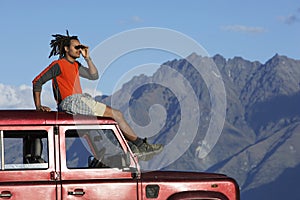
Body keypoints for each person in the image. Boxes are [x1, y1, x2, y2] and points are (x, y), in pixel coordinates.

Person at [32, 31, 163, 161]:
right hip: (72, 101)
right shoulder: (58, 65)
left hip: (80, 100)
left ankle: (133, 147)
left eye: (80, 47)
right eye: (76, 47)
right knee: (113, 116)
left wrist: (87, 58)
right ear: (66, 49)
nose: (79, 50)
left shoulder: (75, 65)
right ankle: (139, 146)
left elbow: (93, 75)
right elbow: (37, 81)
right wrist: (39, 106)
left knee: (112, 118)